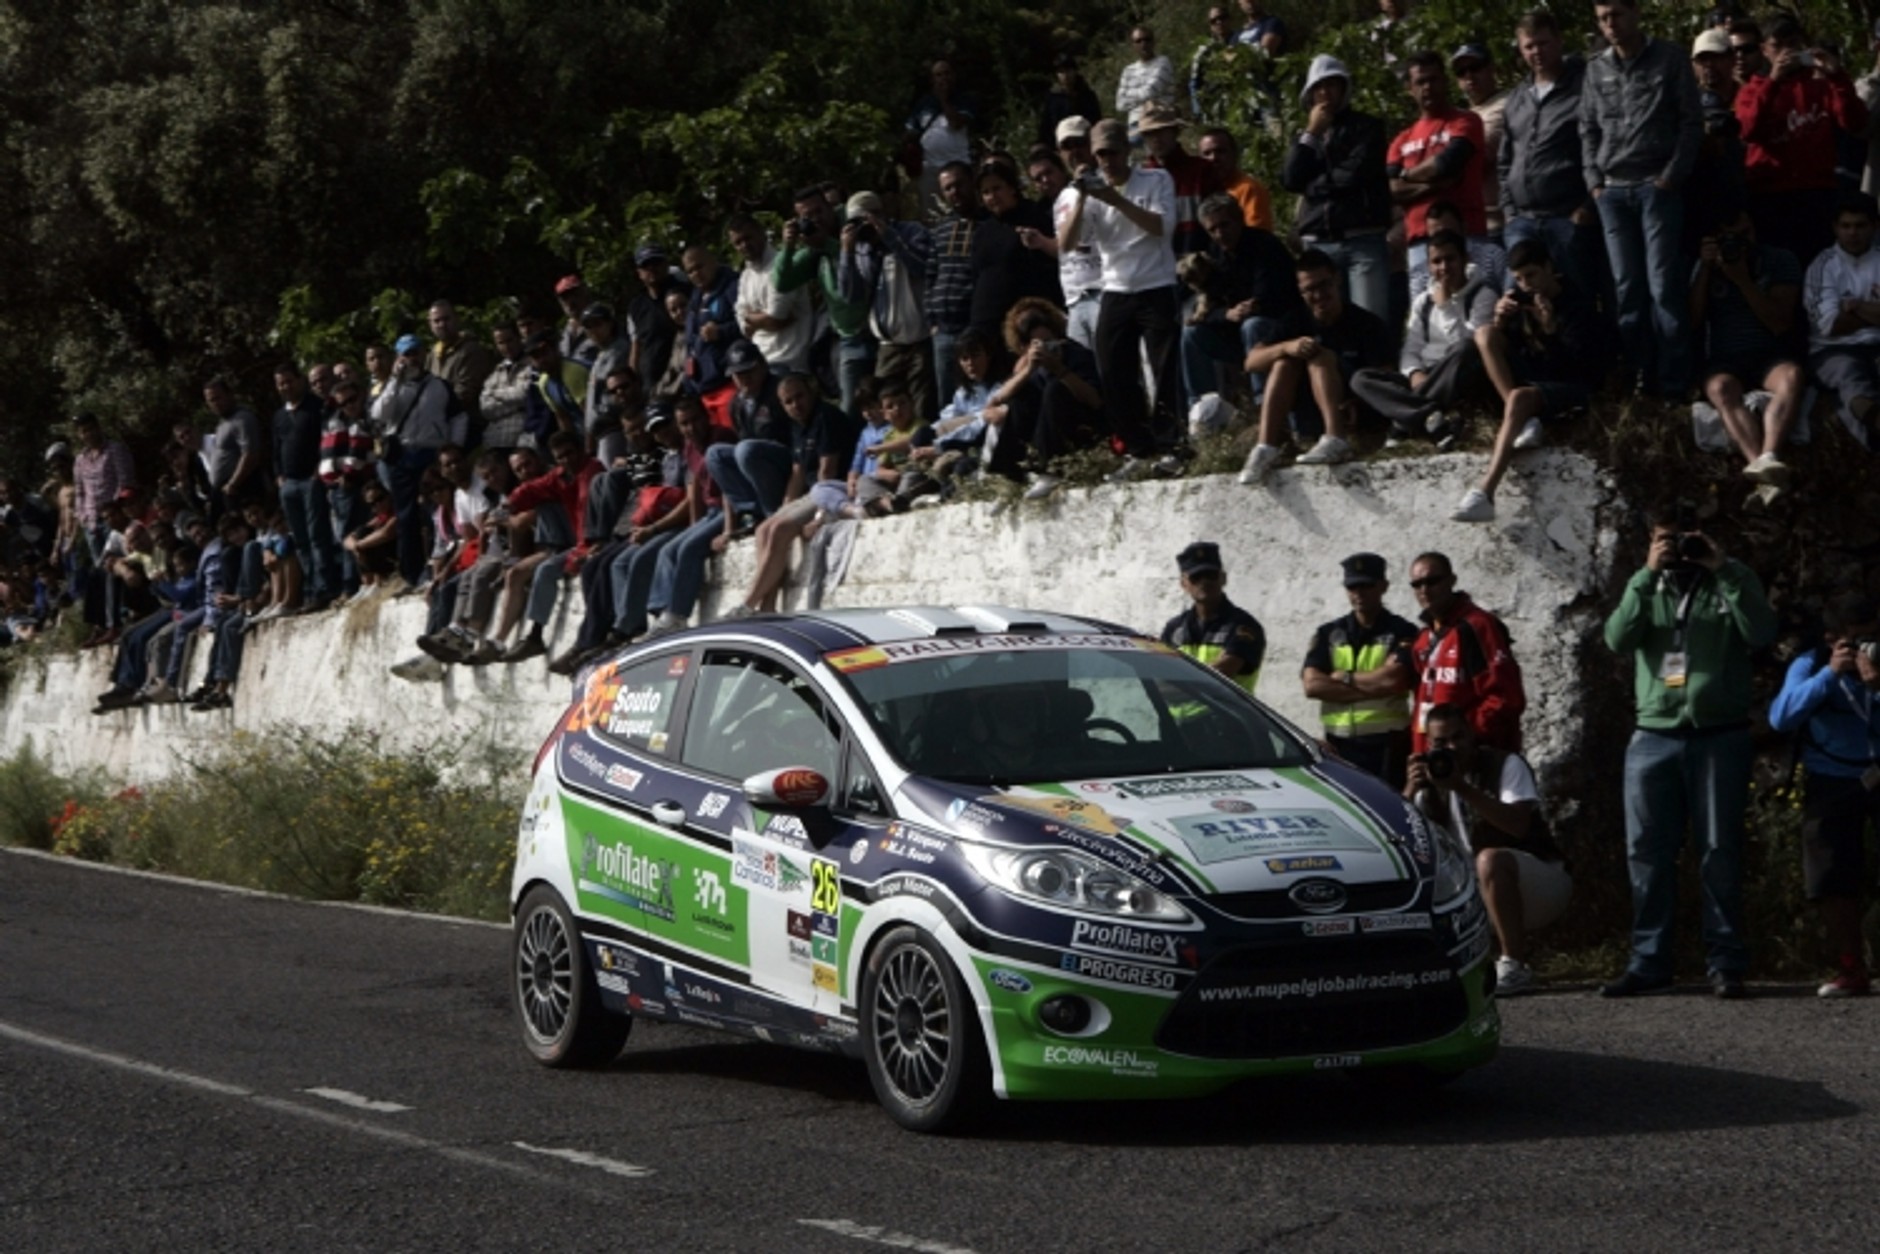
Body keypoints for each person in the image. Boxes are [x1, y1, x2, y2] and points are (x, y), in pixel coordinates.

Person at [1601, 506, 1774, 999]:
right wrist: (1646, 573)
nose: (1679, 549)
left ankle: (1725, 962)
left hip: (1720, 734)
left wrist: (1723, 567)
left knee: (1719, 850)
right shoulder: (1646, 586)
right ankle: (1649, 961)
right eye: (1667, 540)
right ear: (1652, 541)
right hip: (1653, 735)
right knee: (1646, 853)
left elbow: (1761, 633)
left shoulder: (1727, 582)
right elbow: (1617, 639)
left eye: (1685, 539)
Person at [1580, 0, 1704, 398]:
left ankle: (1675, 383)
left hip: (1656, 185)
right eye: (1603, 18)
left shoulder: (1669, 57)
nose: (1610, 25)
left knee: (1664, 286)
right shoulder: (1595, 67)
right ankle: (1640, 378)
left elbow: (1690, 121)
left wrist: (1671, 176)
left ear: (1634, 13)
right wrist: (1594, 182)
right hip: (1613, 189)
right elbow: (1587, 129)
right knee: (1625, 288)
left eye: (1616, 15)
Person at [1406, 704, 1572, 996]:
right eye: (1441, 743)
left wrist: (1463, 788)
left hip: (1539, 884)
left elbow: (1518, 825)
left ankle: (1514, 964)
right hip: (1473, 893)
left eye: (1458, 737)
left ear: (1471, 735)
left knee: (1490, 859)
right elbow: (1403, 841)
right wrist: (1408, 792)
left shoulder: (1504, 765)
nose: (1452, 748)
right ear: (1429, 746)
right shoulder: (1429, 781)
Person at [1058, 117, 1184, 482]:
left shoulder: (1155, 179)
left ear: (1127, 151)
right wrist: (1083, 196)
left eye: (1113, 152)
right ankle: (1136, 447)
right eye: (1100, 154)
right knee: (1113, 370)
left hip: (1156, 283)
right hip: (1116, 288)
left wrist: (1113, 197)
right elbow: (1068, 244)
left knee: (1163, 369)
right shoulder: (1092, 192)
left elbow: (1161, 226)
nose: (1107, 161)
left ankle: (1171, 445)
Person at [1768, 594, 1880, 997]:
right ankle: (1850, 967)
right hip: (1832, 776)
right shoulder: (1811, 663)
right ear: (1834, 639)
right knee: (1831, 876)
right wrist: (1830, 676)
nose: (1868, 647)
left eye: (1874, 637)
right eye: (1858, 640)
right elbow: (1781, 716)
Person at [1455, 239, 1608, 522]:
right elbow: (1511, 348)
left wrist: (1550, 331)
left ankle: (1486, 491)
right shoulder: (1520, 297)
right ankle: (1523, 421)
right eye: (1519, 278)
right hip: (1532, 379)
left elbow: (1579, 368)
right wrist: (1501, 322)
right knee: (1484, 334)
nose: (1526, 284)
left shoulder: (1577, 303)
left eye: (1532, 275)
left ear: (1549, 268)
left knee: (1518, 398)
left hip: (1573, 385)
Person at [1239, 249, 1392, 485]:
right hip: (1307, 416)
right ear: (1300, 292)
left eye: (1324, 285)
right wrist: (1287, 347)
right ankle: (1266, 447)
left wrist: (1359, 404)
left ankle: (1336, 439)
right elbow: (1251, 362)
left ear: (1337, 280)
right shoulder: (1295, 320)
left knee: (1319, 356)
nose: (1319, 295)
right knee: (1283, 362)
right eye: (1310, 290)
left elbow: (1387, 377)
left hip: (1353, 412)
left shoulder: (1366, 324)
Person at [1688, 210, 1803, 504]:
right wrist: (1704, 269)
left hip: (1770, 353)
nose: (1741, 243)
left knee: (1791, 376)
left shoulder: (1779, 261)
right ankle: (1763, 472)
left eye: (1746, 234)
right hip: (1725, 357)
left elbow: (1780, 322)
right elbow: (1692, 321)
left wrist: (1742, 281)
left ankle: (1769, 455)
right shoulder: (1706, 266)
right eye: (1731, 237)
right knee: (1720, 389)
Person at [1737, 15, 1868, 266]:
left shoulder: (1821, 84)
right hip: (1770, 194)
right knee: (1778, 268)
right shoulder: (1754, 88)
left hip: (1817, 192)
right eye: (1778, 46)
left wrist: (1837, 76)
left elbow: (1854, 122)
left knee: (1818, 265)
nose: (1787, 52)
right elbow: (1747, 130)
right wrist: (1773, 82)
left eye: (1793, 43)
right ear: (1764, 50)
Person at [1351, 229, 1496, 449]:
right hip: (1425, 376)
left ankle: (1404, 419)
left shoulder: (1484, 295)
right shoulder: (1423, 301)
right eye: (1437, 261)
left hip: (1455, 373)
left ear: (1465, 259)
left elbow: (1467, 342)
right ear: (1429, 266)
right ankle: (1428, 416)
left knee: (1466, 349)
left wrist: (1446, 305)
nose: (1444, 268)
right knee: (1361, 379)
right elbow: (1412, 346)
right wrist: (1414, 373)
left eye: (1450, 259)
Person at [1282, 56, 1393, 325]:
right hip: (1319, 242)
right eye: (1319, 87)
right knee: (1324, 327)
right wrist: (1311, 132)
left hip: (1362, 240)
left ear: (1344, 88)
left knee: (1370, 321)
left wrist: (1313, 185)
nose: (1325, 92)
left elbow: (1355, 174)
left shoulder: (1367, 127)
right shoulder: (1304, 139)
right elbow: (1290, 179)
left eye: (1332, 84)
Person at [1302, 553, 1418, 787]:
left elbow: (1392, 681)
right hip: (1339, 743)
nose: (1359, 593)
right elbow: (1312, 685)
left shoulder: (1402, 630)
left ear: (1383, 586)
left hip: (1386, 744)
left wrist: (1342, 678)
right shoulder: (1329, 633)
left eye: (1366, 585)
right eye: (1352, 586)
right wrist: (1372, 687)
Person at [1501, 11, 1599, 284]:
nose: (1536, 52)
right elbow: (1505, 160)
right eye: (1529, 46)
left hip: (1568, 218)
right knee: (1520, 302)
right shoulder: (1517, 98)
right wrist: (1509, 212)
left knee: (1576, 297)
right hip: (1522, 221)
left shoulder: (1584, 86)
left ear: (1558, 41)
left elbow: (1600, 146)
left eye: (1542, 43)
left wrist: (1588, 206)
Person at [1180, 193, 1300, 410]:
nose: (1220, 233)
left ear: (1239, 219)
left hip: (1274, 328)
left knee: (1252, 325)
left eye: (1225, 225)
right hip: (1233, 327)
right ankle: (1201, 410)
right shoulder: (1212, 254)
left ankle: (1263, 403)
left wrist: (1246, 309)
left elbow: (1274, 295)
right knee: (1191, 334)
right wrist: (1226, 314)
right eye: (1212, 229)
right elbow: (1208, 302)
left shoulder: (1265, 245)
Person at [1389, 50, 1487, 295]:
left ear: (1444, 81)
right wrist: (1434, 185)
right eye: (1420, 82)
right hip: (1420, 242)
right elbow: (1393, 190)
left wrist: (1407, 175)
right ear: (1410, 88)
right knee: (1427, 318)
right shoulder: (1401, 140)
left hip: (1467, 234)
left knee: (1475, 309)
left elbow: (1447, 165)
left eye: (1433, 79)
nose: (1428, 87)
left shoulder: (1466, 121)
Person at [371, 332, 465, 589]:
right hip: (402, 456)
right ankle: (411, 573)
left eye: (416, 353)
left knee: (436, 510)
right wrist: (394, 381)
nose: (412, 359)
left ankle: (442, 563)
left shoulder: (439, 385)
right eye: (406, 354)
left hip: (431, 454)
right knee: (406, 516)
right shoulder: (393, 386)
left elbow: (458, 417)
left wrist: (453, 446)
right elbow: (379, 414)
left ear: (424, 354)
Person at [1407, 551, 1525, 756]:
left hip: (1477, 754)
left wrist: (1464, 738)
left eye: (1432, 581)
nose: (1424, 590)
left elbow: (1505, 697)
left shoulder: (1477, 626)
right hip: (1436, 759)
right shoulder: (1423, 638)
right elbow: (1422, 703)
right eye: (1417, 584)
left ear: (1452, 581)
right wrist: (1419, 753)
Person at [989, 298, 1105, 499]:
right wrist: (1029, 370)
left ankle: (1050, 470)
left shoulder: (1076, 354)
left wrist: (1060, 371)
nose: (1045, 349)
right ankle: (1011, 475)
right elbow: (996, 400)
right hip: (1045, 432)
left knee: (1054, 389)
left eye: (1048, 342)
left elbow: (1095, 401)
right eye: (1037, 344)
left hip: (1082, 429)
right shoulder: (1029, 366)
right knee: (1020, 398)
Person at [775, 185, 873, 419]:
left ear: (831, 207)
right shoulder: (814, 246)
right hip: (848, 338)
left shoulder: (853, 226)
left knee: (883, 404)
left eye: (819, 211)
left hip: (875, 331)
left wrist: (828, 244)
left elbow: (857, 274)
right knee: (850, 409)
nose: (815, 220)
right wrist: (788, 247)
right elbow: (782, 281)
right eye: (807, 217)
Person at [1803, 193, 1880, 449]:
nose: (1852, 233)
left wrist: (1855, 307)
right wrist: (1873, 313)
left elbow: (1842, 318)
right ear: (1835, 228)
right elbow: (1830, 325)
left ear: (1874, 226)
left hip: (1875, 345)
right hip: (1832, 349)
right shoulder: (1822, 265)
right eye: (1846, 226)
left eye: (1860, 226)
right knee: (1850, 374)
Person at [271, 362, 338, 611]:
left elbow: (326, 440)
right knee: (300, 540)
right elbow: (276, 449)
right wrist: (279, 476)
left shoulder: (315, 407)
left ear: (299, 380)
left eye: (289, 381)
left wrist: (317, 471)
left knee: (317, 536)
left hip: (312, 481)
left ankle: (326, 588)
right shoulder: (279, 416)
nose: (286, 387)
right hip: (289, 484)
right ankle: (311, 589)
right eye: (280, 384)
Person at [1160, 541, 1264, 695]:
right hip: (1177, 718)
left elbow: (1221, 673)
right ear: (1184, 584)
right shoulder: (1174, 628)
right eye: (1196, 577)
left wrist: (1175, 687)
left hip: (1225, 717)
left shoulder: (1243, 626)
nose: (1205, 582)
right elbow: (1158, 677)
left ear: (1223, 578)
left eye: (1211, 575)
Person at [1045, 119, 1105, 350]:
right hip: (1074, 298)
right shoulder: (1061, 198)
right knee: (1085, 372)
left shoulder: (1109, 183)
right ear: (1059, 153)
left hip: (1104, 291)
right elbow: (1065, 246)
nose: (1075, 151)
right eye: (1067, 146)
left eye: (1080, 143)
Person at [924, 161, 980, 403]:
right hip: (943, 329)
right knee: (946, 399)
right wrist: (931, 319)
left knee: (977, 393)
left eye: (959, 185)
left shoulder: (987, 224)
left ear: (972, 183)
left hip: (972, 324)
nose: (954, 192)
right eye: (947, 188)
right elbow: (930, 274)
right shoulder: (941, 228)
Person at [1137, 102, 1220, 261]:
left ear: (1175, 131)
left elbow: (1219, 223)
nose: (1156, 138)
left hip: (1199, 267)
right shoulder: (1139, 177)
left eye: (1161, 131)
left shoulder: (1202, 170)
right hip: (1154, 269)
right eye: (1149, 133)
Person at [904, 59, 975, 220]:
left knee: (962, 208)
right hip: (929, 168)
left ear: (954, 76)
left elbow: (956, 123)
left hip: (958, 163)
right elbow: (911, 131)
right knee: (931, 215)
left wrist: (944, 99)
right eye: (938, 75)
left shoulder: (964, 99)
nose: (943, 78)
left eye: (947, 74)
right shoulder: (923, 103)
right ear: (932, 79)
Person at [1454, 43, 1511, 243]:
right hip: (1470, 225)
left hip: (1502, 222)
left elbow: (1477, 158)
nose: (1469, 76)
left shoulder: (1505, 105)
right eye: (1461, 72)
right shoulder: (1462, 117)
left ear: (1491, 69)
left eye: (1475, 67)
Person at [426, 299, 496, 439]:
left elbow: (465, 393)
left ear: (457, 319)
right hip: (441, 424)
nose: (442, 325)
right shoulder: (433, 354)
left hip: (470, 424)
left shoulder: (471, 350)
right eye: (436, 321)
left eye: (446, 319)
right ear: (430, 324)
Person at [1197, 127, 1272, 232]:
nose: (1213, 158)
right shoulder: (1200, 191)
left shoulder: (1249, 189)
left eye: (1220, 151)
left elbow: (1258, 236)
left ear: (1234, 154)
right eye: (1207, 153)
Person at [1115, 26, 1176, 137]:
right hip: (1135, 124)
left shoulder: (1163, 62)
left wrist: (1130, 95)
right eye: (1138, 41)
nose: (1143, 44)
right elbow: (1120, 104)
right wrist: (1144, 97)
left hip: (1159, 120)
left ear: (1153, 42)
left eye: (1147, 39)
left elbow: (1150, 92)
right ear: (1133, 45)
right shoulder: (1128, 70)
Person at [1041, 53, 1101, 150]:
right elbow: (1047, 126)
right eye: (1061, 72)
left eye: (1068, 70)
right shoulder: (1053, 98)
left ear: (1075, 71)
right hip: (1061, 144)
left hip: (1085, 142)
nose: (1065, 75)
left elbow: (1096, 120)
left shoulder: (1087, 95)